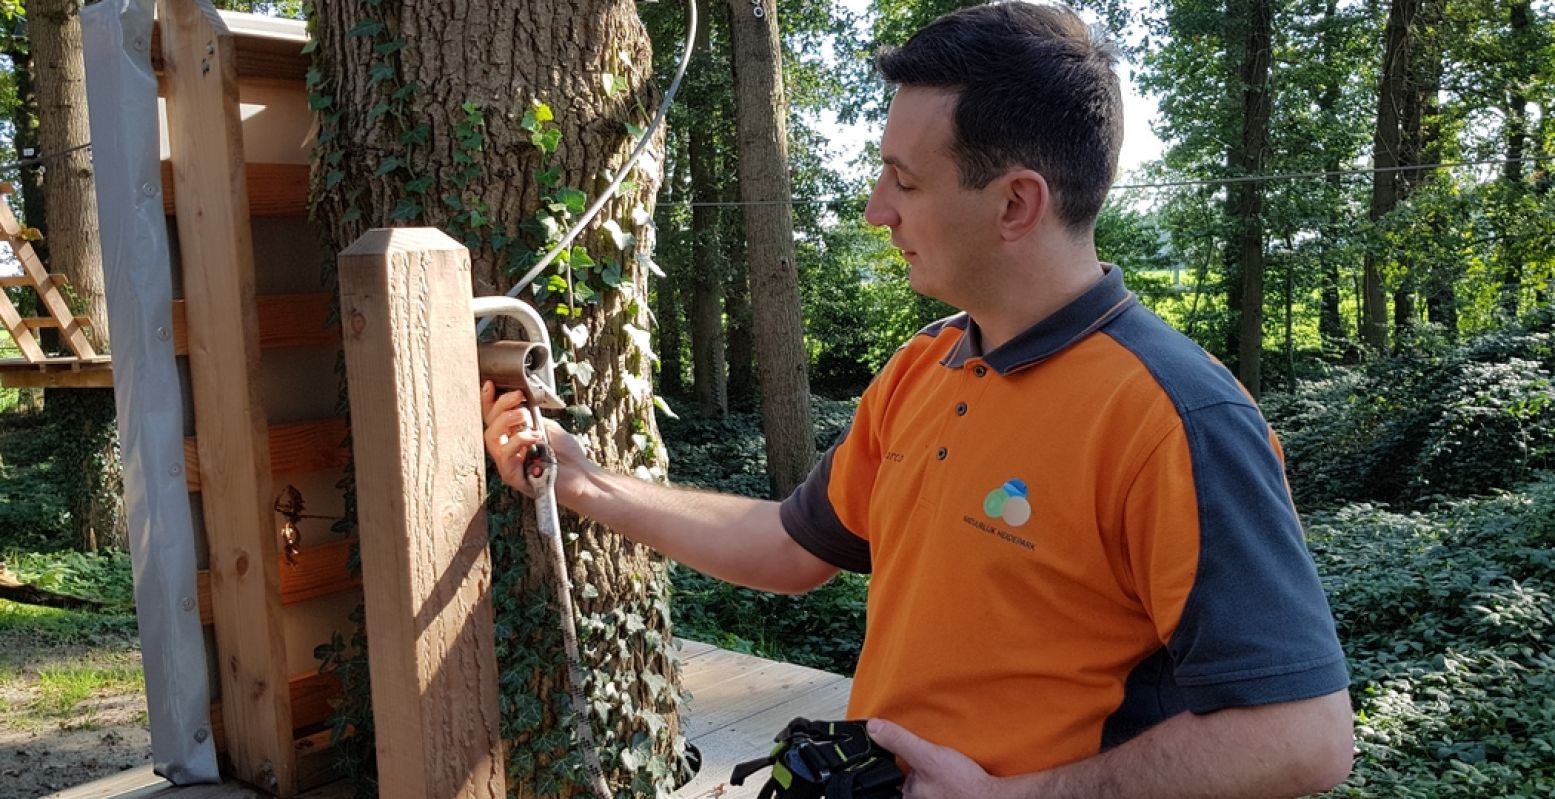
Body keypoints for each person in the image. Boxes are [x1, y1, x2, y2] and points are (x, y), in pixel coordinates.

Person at [483, 2, 1355, 796]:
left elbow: (1301, 737)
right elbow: (792, 546)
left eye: (905, 180)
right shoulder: (924, 367)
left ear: (1016, 203)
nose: (874, 210)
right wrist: (585, 482)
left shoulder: (1175, 418)